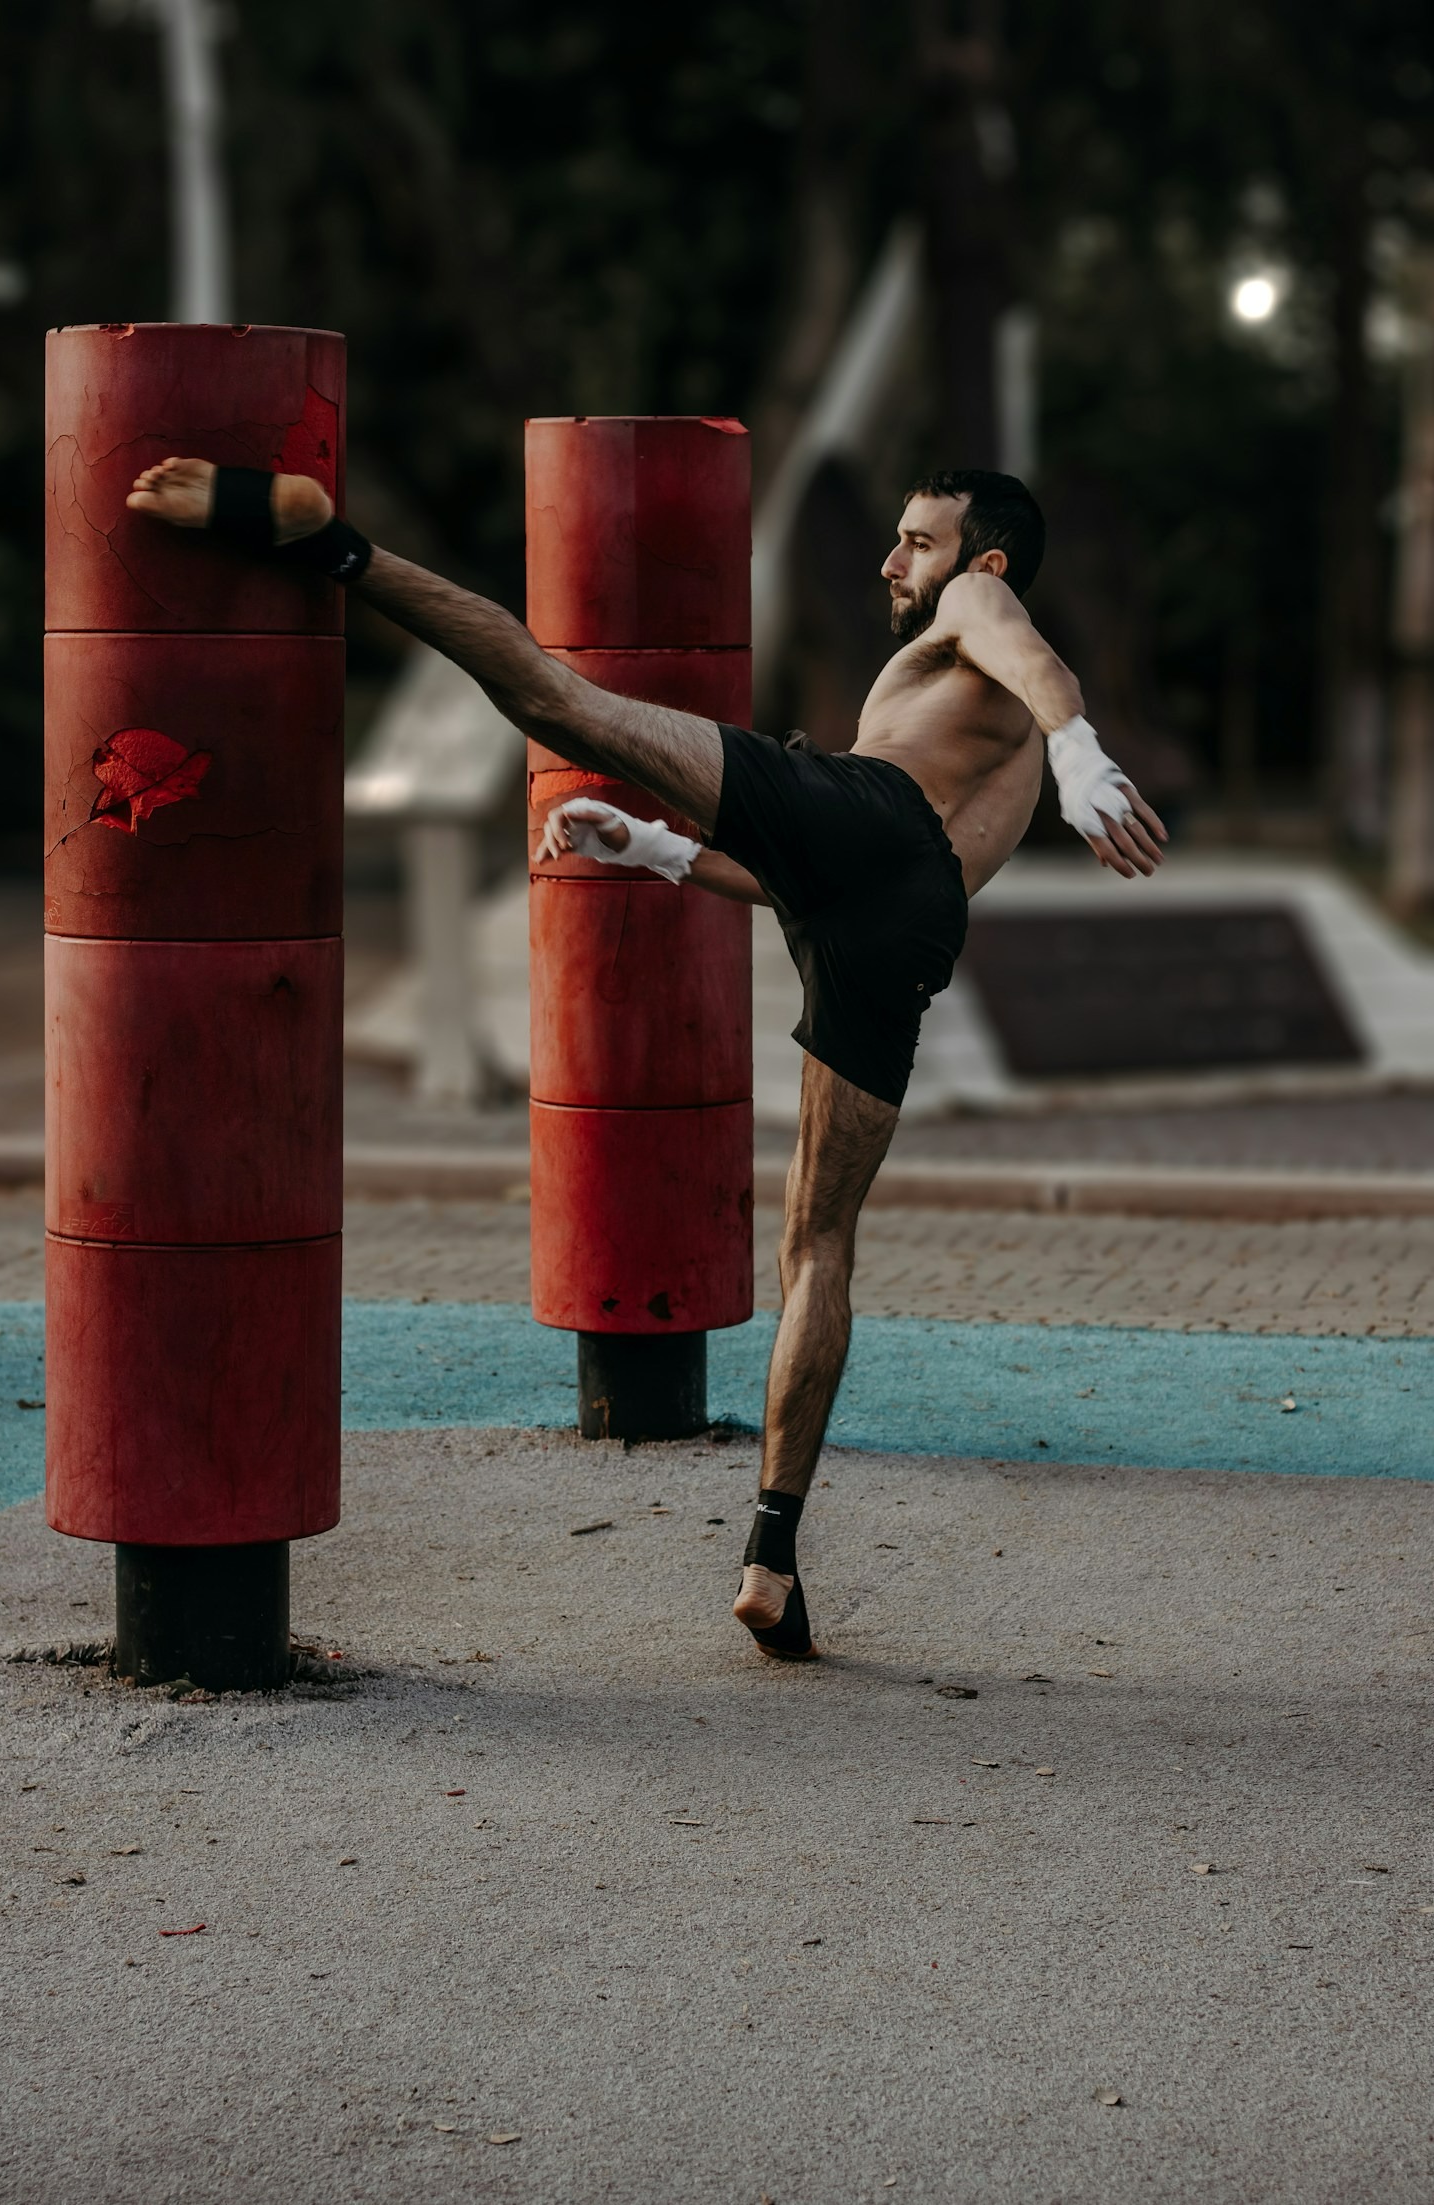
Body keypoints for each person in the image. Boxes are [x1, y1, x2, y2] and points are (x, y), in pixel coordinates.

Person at [126, 457, 1167, 1664]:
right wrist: (662, 853)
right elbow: (866, 888)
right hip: (903, 911)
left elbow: (1023, 658)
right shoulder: (1002, 759)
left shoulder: (981, 614)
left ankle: (334, 550)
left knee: (564, 706)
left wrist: (1084, 743)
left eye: (919, 543)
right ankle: (771, 1558)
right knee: (819, 1247)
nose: (894, 563)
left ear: (981, 560)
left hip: (868, 820)